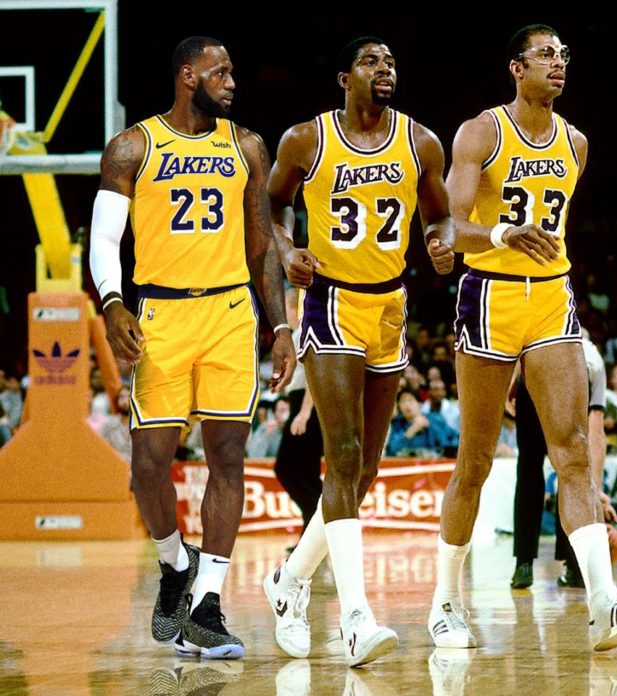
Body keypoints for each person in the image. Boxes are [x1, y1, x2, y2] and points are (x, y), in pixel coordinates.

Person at [432, 24, 617, 652]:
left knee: (574, 453)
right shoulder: (481, 132)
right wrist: (501, 234)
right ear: (516, 67)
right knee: (475, 461)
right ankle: (445, 601)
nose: (558, 64)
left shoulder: (575, 143)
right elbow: (449, 224)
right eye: (545, 55)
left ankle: (604, 603)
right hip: (489, 296)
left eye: (564, 55)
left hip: (552, 298)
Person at [88, 36, 295, 660]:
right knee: (148, 465)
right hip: (160, 313)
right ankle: (175, 563)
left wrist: (281, 327)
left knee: (227, 455)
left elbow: (262, 244)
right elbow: (105, 240)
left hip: (229, 311)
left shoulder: (247, 146)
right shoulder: (133, 146)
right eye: (219, 72)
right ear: (187, 76)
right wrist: (112, 301)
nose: (231, 82)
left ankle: (207, 605)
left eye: (232, 72)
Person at [262, 35, 454, 666]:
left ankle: (289, 579)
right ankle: (355, 618)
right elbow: (271, 205)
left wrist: (440, 242)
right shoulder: (306, 140)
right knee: (341, 456)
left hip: (391, 305)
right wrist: (287, 248)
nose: (385, 69)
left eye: (391, 61)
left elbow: (439, 217)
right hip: (332, 300)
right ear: (345, 78)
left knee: (365, 470)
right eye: (371, 62)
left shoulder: (421, 141)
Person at [510, 331, 617, 590]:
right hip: (566, 382)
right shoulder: (594, 360)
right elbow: (596, 432)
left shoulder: (540, 340)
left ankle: (523, 565)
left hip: (531, 378)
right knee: (571, 473)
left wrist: (510, 388)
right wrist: (595, 488)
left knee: (529, 470)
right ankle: (574, 566)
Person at [273, 287, 324, 545]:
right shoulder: (295, 335)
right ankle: (312, 538)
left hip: (308, 407)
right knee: (307, 473)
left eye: (285, 307)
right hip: (300, 404)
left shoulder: (304, 332)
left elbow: (315, 375)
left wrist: (304, 412)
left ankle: (319, 524)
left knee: (286, 468)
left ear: (294, 308)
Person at [386, 387, 457, 457]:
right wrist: (413, 429)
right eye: (403, 402)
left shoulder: (435, 418)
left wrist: (430, 426)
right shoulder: (397, 423)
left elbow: (449, 441)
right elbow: (392, 449)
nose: (407, 405)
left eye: (410, 400)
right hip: (406, 461)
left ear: (419, 403)